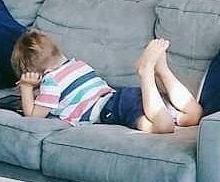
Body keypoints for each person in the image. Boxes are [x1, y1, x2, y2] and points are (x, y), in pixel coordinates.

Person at [11, 32, 201, 134]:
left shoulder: (50, 81)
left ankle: (146, 72)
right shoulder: (77, 64)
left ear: (32, 71)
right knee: (193, 116)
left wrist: (27, 88)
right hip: (124, 96)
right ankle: (162, 70)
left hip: (111, 109)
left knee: (163, 127)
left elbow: (33, 118)